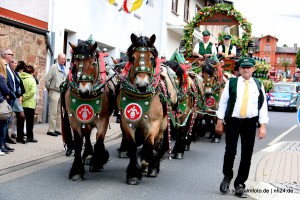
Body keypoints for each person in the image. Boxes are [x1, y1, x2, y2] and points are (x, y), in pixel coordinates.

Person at [215, 57, 269, 198]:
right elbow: (223, 102)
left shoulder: (258, 84)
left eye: (248, 67)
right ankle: (227, 176)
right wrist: (220, 120)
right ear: (239, 69)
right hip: (233, 122)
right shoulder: (232, 83)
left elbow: (263, 106)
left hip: (250, 123)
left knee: (247, 155)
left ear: (253, 69)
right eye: (243, 67)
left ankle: (240, 184)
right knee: (230, 151)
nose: (246, 69)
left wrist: (262, 125)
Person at [45, 53, 66, 137]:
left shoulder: (64, 68)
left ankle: (57, 129)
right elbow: (47, 80)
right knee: (53, 111)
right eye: (62, 58)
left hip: (61, 92)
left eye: (64, 59)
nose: (64, 60)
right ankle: (51, 129)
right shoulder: (54, 67)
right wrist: (50, 90)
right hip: (54, 91)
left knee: (59, 112)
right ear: (58, 59)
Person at [1, 48, 17, 149]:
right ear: (6, 55)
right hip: (5, 97)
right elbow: (4, 83)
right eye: (11, 54)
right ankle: (2, 143)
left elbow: (13, 81)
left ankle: (4, 142)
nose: (12, 56)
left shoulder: (8, 67)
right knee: (4, 122)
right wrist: (8, 93)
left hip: (10, 96)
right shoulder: (3, 66)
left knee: (6, 121)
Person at [19, 65, 38, 143]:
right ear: (32, 72)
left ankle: (20, 136)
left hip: (21, 102)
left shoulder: (20, 77)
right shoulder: (32, 79)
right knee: (29, 121)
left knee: (20, 121)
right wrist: (24, 97)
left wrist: (21, 97)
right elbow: (32, 92)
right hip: (30, 103)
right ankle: (29, 137)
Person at [13, 61, 27, 144]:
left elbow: (20, 85)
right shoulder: (11, 72)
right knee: (7, 118)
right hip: (12, 96)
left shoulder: (15, 73)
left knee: (21, 116)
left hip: (17, 96)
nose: (15, 64)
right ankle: (6, 138)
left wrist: (21, 95)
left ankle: (20, 136)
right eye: (13, 62)